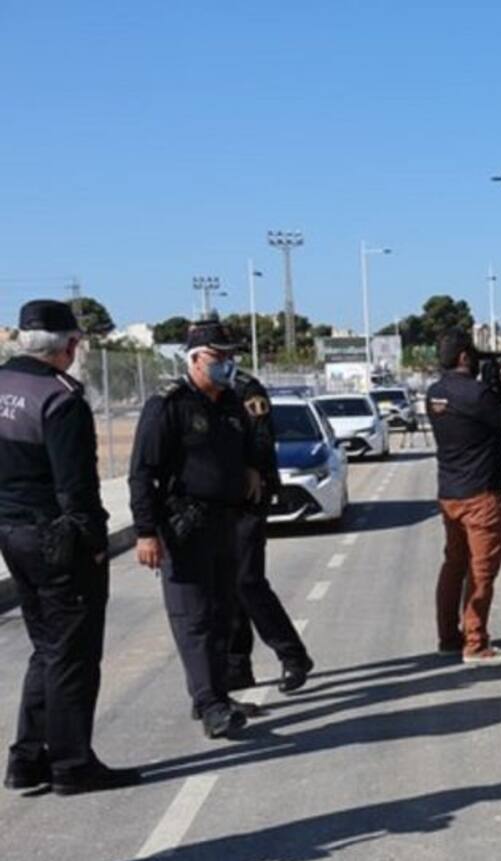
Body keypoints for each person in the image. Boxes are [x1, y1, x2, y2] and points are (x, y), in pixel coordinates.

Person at [0, 300, 140, 795]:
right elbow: (75, 487)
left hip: (11, 533)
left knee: (47, 647)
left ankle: (27, 758)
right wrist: (94, 543)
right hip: (56, 537)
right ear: (69, 346)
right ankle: (71, 764)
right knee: (74, 654)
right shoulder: (59, 398)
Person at [128, 319, 259, 739]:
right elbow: (142, 473)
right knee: (195, 619)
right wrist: (146, 531)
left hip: (224, 522)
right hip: (183, 526)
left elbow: (239, 448)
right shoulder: (169, 405)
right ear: (195, 359)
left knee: (223, 615)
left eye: (230, 356)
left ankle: (213, 694)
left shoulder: (230, 403)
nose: (227, 364)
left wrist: (252, 469)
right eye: (219, 357)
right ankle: (211, 706)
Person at [427, 328, 501, 665]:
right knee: (481, 573)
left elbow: (478, 417)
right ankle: (476, 644)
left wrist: (489, 383)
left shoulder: (435, 394)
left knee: (454, 566)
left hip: (450, 494)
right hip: (481, 495)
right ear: (465, 357)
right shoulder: (476, 395)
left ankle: (448, 637)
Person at [227, 369, 314, 693]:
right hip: (220, 500)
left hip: (251, 495)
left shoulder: (246, 388)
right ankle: (237, 666)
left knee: (248, 581)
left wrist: (253, 470)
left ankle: (293, 655)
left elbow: (262, 438)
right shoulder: (204, 392)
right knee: (228, 583)